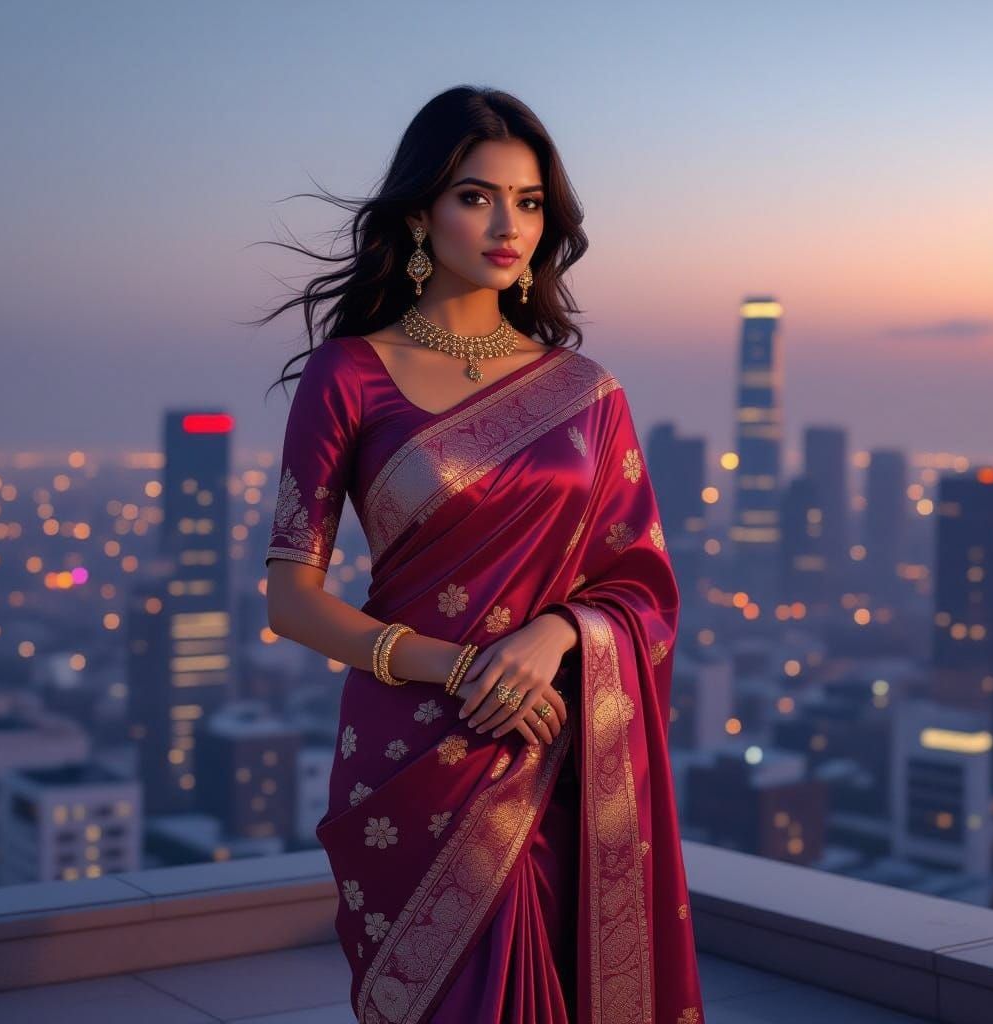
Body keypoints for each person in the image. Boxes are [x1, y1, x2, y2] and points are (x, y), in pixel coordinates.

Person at [262, 85, 705, 1024]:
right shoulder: (350, 375)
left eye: (531, 201)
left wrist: (557, 633)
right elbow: (290, 601)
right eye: (477, 196)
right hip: (411, 753)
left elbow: (644, 584)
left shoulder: (586, 392)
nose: (510, 224)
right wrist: (456, 666)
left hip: (555, 739)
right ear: (421, 211)